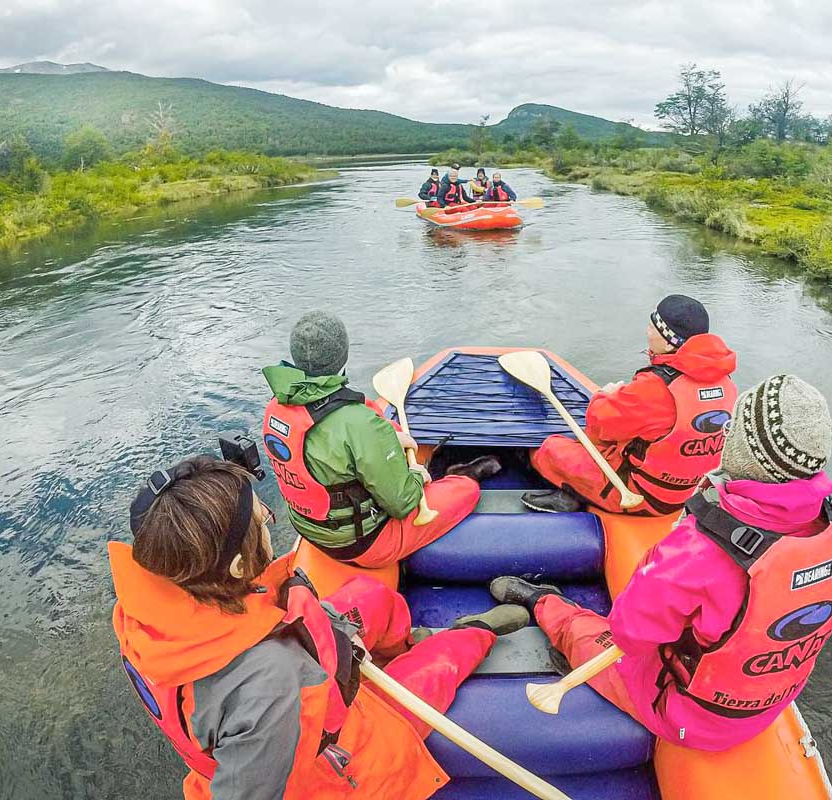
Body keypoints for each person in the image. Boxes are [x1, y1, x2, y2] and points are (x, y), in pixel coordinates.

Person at [109, 455, 529, 800]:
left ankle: (398, 645)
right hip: (330, 752)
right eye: (262, 521)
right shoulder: (267, 683)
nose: (269, 524)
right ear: (237, 567)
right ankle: (475, 631)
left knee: (371, 595)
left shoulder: (146, 611)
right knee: (439, 666)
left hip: (302, 669)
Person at [490, 375, 832, 751]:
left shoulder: (701, 549)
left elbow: (628, 632)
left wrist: (675, 543)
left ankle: (544, 602)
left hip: (685, 714)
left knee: (588, 634)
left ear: (742, 450)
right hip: (763, 708)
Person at [263, 311, 500, 567]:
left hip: (309, 528)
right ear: (343, 354)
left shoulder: (276, 407)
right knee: (467, 491)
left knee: (382, 440)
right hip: (364, 544)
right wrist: (419, 475)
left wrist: (385, 440)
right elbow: (403, 503)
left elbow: (328, 451)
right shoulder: (358, 422)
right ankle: (460, 473)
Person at [524, 295, 737, 515]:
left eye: (651, 326)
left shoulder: (656, 387)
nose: (647, 332)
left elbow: (599, 426)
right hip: (691, 492)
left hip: (642, 495)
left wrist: (604, 395)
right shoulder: (726, 383)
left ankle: (574, 495)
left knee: (549, 448)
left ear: (667, 342)